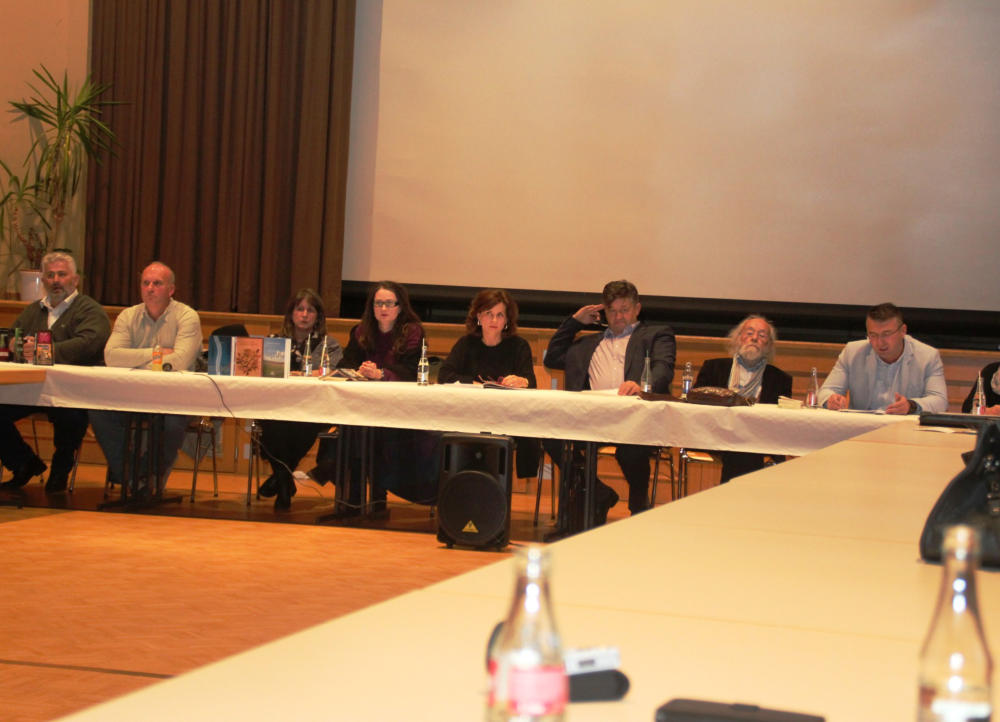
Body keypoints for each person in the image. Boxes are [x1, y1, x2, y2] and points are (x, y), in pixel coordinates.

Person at [544, 279, 676, 523]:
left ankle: (639, 505)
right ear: (604, 311)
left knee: (630, 449)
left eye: (624, 309)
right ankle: (597, 492)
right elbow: (552, 358)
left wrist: (642, 385)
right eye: (612, 311)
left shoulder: (655, 335)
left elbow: (663, 369)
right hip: (592, 419)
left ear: (637, 309)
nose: (618, 316)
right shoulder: (587, 344)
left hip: (636, 419)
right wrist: (574, 322)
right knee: (551, 436)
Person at [0, 252, 111, 492]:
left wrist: (43, 351)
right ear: (43, 280)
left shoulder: (90, 310)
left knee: (70, 416)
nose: (56, 280)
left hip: (74, 390)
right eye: (50, 275)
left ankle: (61, 469)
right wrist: (15, 346)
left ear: (75, 279)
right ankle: (23, 463)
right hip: (32, 388)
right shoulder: (34, 310)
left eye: (62, 274)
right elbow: (11, 337)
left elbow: (89, 344)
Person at [89, 262, 202, 497]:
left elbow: (180, 361)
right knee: (99, 411)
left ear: (171, 289)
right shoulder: (128, 316)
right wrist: (158, 354)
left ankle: (147, 476)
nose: (150, 288)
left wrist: (132, 360)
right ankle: (132, 475)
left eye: (157, 283)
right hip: (132, 396)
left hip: (177, 398)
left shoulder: (187, 316)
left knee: (172, 422)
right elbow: (111, 357)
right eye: (145, 283)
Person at [336, 281, 436, 516]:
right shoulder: (360, 331)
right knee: (352, 425)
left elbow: (412, 372)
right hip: (364, 404)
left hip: (399, 406)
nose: (383, 308)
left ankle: (376, 496)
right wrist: (360, 370)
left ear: (400, 307)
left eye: (389, 303)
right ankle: (354, 498)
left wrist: (381, 374)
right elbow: (345, 365)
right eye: (378, 303)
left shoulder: (412, 333)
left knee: (371, 428)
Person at [437, 288, 540, 478]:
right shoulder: (466, 344)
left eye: (500, 315)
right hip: (470, 415)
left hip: (507, 417)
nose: (494, 320)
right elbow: (444, 375)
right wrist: (475, 384)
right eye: (488, 314)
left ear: (507, 319)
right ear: (478, 316)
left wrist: (522, 381)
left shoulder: (519, 346)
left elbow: (531, 382)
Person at [257, 289, 343, 510]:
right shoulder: (274, 342)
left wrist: (295, 374)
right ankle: (284, 481)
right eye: (300, 309)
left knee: (298, 425)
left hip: (313, 408)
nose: (304, 315)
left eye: (310, 310)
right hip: (276, 405)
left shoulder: (329, 345)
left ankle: (280, 479)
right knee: (271, 424)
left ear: (318, 316)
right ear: (291, 313)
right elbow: (263, 372)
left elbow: (331, 373)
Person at [693, 315, 793, 482]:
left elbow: (781, 421)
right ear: (738, 338)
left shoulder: (780, 379)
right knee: (743, 448)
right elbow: (697, 403)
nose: (754, 338)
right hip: (716, 435)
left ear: (768, 346)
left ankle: (729, 493)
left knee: (745, 447)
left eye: (762, 335)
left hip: (759, 439)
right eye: (749, 333)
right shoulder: (713, 368)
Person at [818, 302, 948, 414]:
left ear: (903, 331)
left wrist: (911, 406)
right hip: (861, 427)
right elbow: (826, 391)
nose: (879, 342)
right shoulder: (852, 353)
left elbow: (940, 401)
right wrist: (831, 400)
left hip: (905, 428)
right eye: (873, 335)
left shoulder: (927, 356)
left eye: (886, 334)